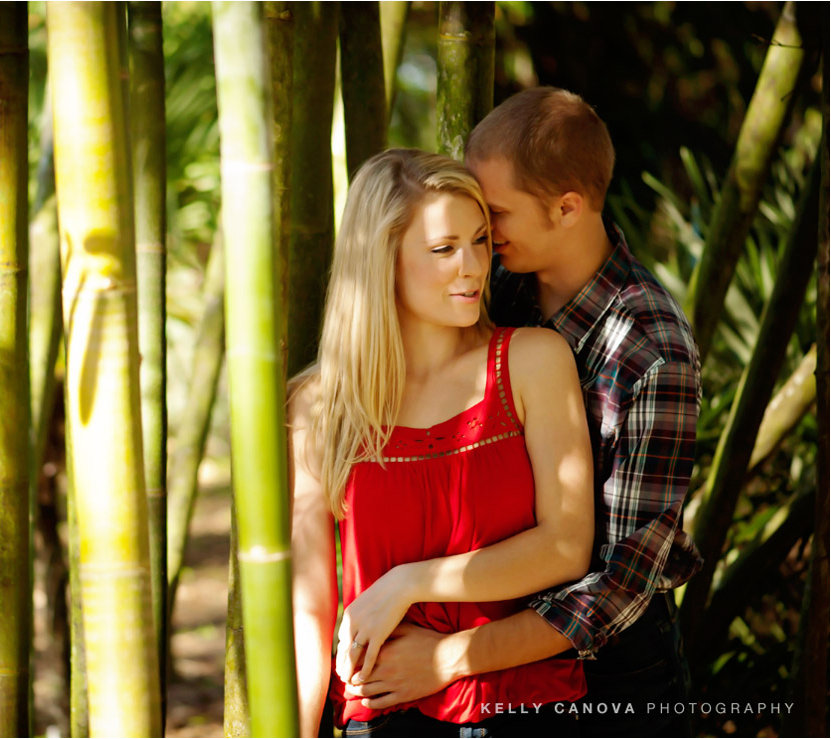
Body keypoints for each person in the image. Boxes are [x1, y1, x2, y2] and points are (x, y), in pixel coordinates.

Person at [343, 88, 703, 737]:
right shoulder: (496, 286)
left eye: (494, 217)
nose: (478, 246)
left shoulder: (653, 354)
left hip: (612, 674)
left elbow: (615, 588)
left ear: (566, 208)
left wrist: (449, 658)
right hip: (490, 676)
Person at [288, 148, 597, 738]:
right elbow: (309, 613)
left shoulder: (532, 362)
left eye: (480, 241)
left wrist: (408, 583)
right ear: (381, 261)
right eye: (443, 249)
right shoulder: (322, 407)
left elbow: (566, 547)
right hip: (382, 716)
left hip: (522, 709)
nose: (474, 267)